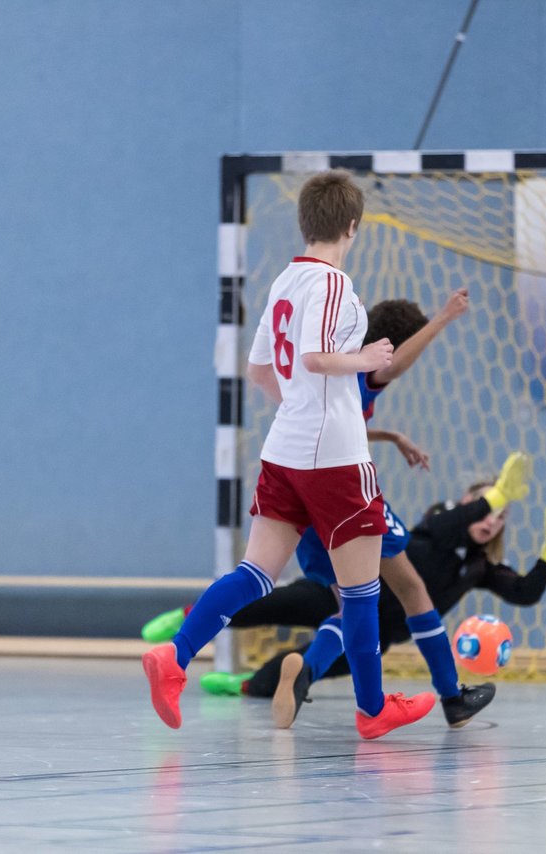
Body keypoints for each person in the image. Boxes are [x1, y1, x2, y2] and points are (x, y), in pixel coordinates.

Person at [141, 170, 436, 740]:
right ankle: (373, 710)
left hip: (287, 449)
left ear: (306, 223)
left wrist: (301, 405)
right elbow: (320, 358)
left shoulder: (283, 282)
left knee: (256, 574)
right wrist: (369, 354)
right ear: (353, 226)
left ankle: (174, 656)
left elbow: (259, 370)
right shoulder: (332, 286)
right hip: (335, 459)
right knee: (359, 591)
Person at [198, 476, 546, 710]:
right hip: (338, 593)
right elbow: (444, 527)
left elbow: (523, 593)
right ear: (468, 504)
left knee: (302, 668)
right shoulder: (437, 525)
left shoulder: (477, 567)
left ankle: (245, 684)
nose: (492, 520)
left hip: (378, 634)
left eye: (501, 517)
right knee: (266, 605)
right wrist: (497, 495)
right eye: (488, 508)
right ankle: (185, 621)